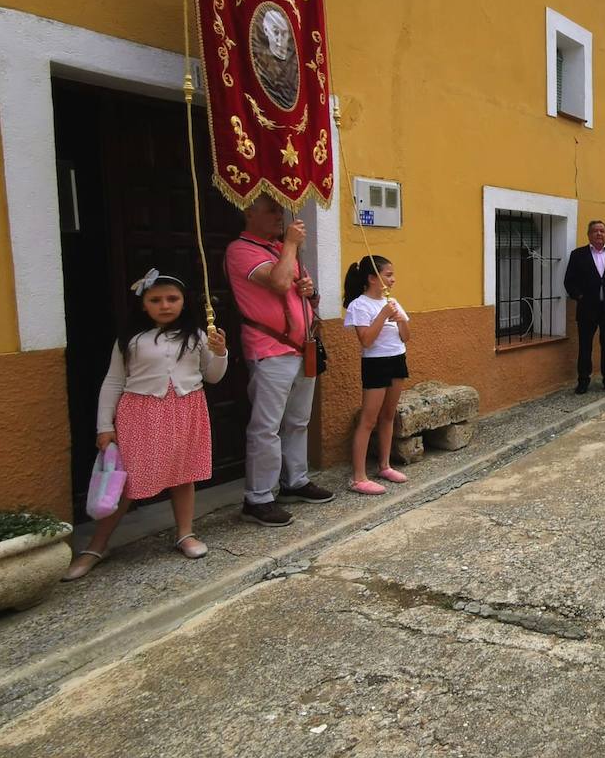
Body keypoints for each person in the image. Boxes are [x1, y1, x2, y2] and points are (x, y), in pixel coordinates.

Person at [64, 271, 228, 580]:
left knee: (184, 472)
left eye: (172, 299)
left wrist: (220, 353)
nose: (164, 305)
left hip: (186, 410)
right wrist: (104, 426)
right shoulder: (130, 340)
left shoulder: (197, 336)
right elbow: (113, 382)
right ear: (143, 304)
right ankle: (97, 546)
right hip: (140, 415)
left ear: (184, 302)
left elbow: (214, 376)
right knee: (128, 481)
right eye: (156, 300)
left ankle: (185, 533)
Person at [227, 197, 334, 528]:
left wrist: (309, 289)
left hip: (301, 348)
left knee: (298, 421)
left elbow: (295, 287)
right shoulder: (241, 250)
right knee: (266, 426)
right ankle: (258, 498)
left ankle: (295, 481)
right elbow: (276, 282)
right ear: (248, 213)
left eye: (279, 209)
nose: (280, 216)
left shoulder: (279, 250)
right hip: (270, 348)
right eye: (272, 210)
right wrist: (289, 244)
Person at [342, 256, 411, 496]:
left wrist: (401, 320)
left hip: (396, 359)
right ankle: (358, 477)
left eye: (392, 275)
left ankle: (385, 465)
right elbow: (366, 341)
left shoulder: (393, 302)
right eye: (388, 275)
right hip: (375, 363)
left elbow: (406, 336)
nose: (393, 279)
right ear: (372, 278)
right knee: (368, 419)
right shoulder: (359, 305)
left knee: (389, 415)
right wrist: (382, 315)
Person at [564, 219, 605, 394]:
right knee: (585, 346)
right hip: (587, 309)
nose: (599, 234)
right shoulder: (578, 255)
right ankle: (583, 381)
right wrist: (579, 296)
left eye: (602, 230)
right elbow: (569, 281)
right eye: (595, 231)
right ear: (589, 235)